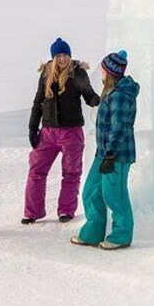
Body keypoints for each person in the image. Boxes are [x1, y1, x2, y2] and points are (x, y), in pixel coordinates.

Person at [23, 38, 100, 224]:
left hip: (71, 132)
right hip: (47, 132)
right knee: (36, 171)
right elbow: (38, 102)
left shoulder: (78, 73)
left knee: (71, 173)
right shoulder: (45, 74)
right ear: (53, 57)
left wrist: (97, 100)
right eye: (58, 55)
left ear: (70, 55)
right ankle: (32, 212)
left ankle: (66, 210)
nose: (63, 59)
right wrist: (33, 128)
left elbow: (88, 95)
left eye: (65, 55)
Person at [71, 50, 139, 250]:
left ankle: (121, 235)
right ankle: (93, 232)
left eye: (102, 69)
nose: (100, 72)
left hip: (116, 154)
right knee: (91, 191)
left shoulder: (120, 95)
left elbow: (119, 127)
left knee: (114, 195)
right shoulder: (112, 91)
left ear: (109, 72)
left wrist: (111, 153)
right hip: (103, 152)